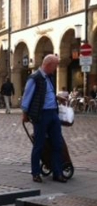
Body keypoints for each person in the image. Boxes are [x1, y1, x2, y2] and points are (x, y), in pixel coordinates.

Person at [21, 54, 67, 183]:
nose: (56, 68)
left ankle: (57, 172)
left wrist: (58, 98)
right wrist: (25, 114)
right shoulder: (35, 78)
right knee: (39, 144)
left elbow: (47, 93)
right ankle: (36, 173)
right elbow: (27, 96)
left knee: (57, 143)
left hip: (53, 113)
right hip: (41, 115)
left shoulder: (49, 77)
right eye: (55, 65)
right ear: (48, 65)